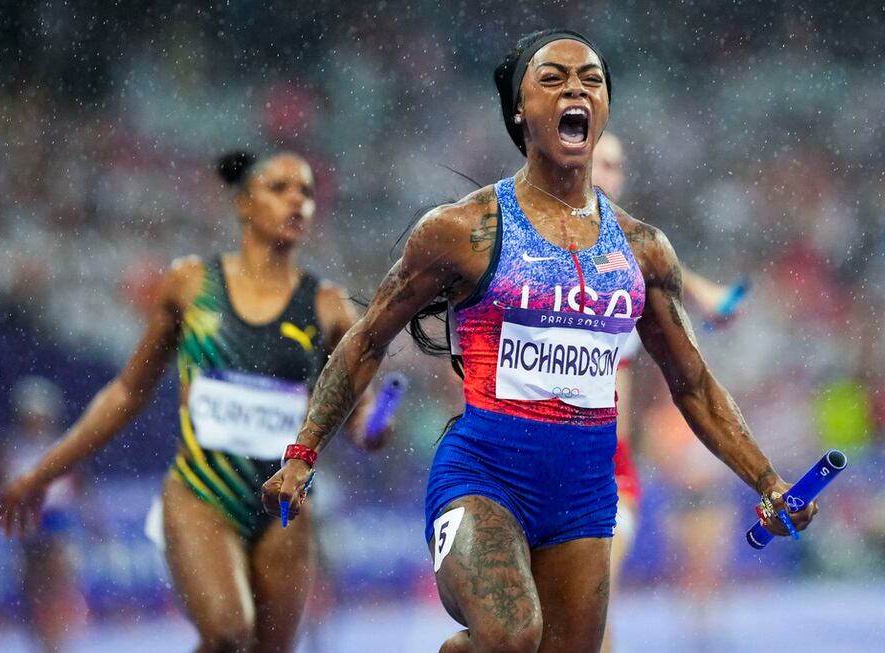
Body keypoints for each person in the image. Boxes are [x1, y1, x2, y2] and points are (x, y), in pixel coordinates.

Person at [262, 29, 818, 653]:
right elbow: (365, 343)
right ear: (520, 112)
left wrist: (769, 482)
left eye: (591, 80)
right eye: (552, 78)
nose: (575, 88)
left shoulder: (642, 250)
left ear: (602, 110)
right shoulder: (462, 230)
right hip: (483, 478)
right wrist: (302, 454)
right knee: (512, 634)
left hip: (584, 495)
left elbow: (692, 384)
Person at [0, 151, 382, 653]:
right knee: (226, 632)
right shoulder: (190, 286)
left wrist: (372, 425)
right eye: (280, 189)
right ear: (244, 204)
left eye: (306, 193)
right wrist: (44, 470)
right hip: (202, 492)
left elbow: (357, 407)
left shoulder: (327, 304)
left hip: (282, 501)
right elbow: (127, 392)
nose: (297, 201)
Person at [590, 131, 745, 653]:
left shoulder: (628, 258)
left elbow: (659, 264)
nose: (609, 175)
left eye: (616, 165)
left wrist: (707, 294)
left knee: (591, 600)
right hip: (534, 460)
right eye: (599, 163)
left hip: (608, 469)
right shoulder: (527, 246)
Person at [0, 376, 87, 653]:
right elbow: (1, 487)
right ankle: (42, 641)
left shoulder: (62, 444)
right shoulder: (9, 448)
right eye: (31, 417)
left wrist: (94, 521)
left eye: (40, 416)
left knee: (59, 585)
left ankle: (60, 640)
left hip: (58, 521)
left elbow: (80, 487)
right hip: (29, 522)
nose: (36, 422)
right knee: (32, 588)